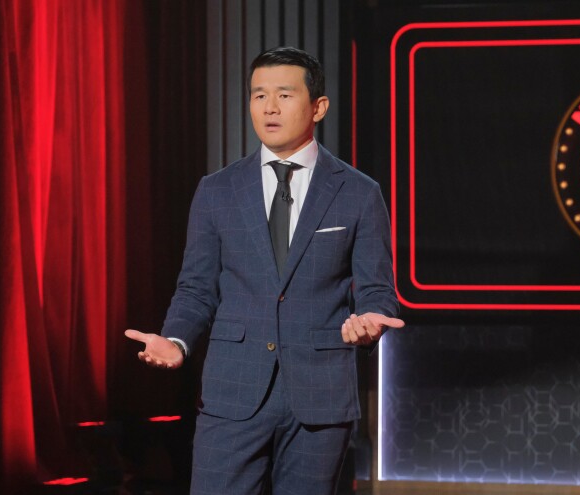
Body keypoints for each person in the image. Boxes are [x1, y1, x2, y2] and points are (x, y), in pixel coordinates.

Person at [125, 46, 403, 495]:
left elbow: (377, 290)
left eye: (284, 94)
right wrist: (176, 338)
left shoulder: (358, 192)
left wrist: (369, 322)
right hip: (233, 389)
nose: (269, 107)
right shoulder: (216, 190)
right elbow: (196, 288)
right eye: (258, 95)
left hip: (321, 394)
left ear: (319, 106)